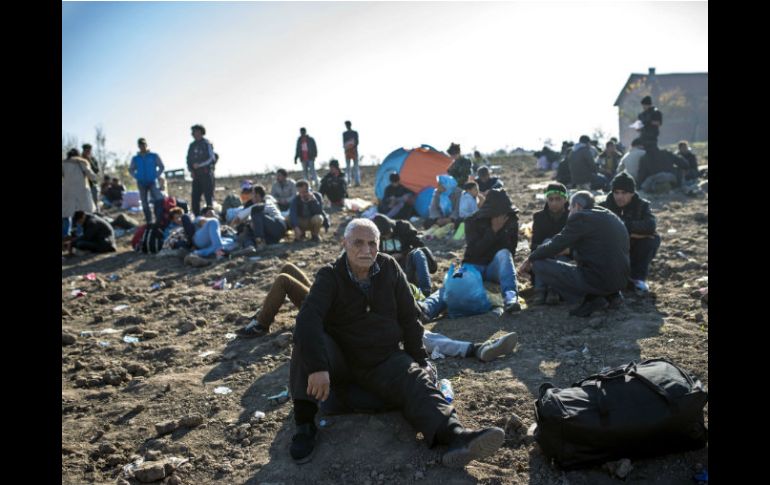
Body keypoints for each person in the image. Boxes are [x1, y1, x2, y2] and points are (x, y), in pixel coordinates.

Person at [286, 218, 505, 466]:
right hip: (342, 364)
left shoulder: (389, 268)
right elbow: (308, 320)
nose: (366, 250)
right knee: (307, 340)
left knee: (416, 378)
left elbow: (408, 318)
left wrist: (421, 360)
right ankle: (304, 425)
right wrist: (317, 367)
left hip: (383, 361)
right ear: (344, 243)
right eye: (358, 243)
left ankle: (456, 437)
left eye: (372, 244)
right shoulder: (330, 275)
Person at [518, 191, 629, 317]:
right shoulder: (610, 216)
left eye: (570, 208)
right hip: (620, 281)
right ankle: (612, 296)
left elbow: (555, 244)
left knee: (538, 264)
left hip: (598, 280)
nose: (569, 212)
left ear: (577, 206)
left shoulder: (580, 217)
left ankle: (589, 299)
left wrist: (530, 258)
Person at [599, 172, 659, 293]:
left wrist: (623, 226)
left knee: (652, 239)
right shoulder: (603, 206)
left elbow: (650, 226)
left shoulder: (642, 205)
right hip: (611, 251)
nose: (619, 197)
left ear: (632, 193)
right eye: (616, 192)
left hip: (632, 249)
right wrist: (630, 231)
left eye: (624, 193)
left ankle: (637, 278)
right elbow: (601, 230)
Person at [372, 214, 437, 296]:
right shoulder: (374, 237)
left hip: (407, 265)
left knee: (418, 253)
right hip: (390, 271)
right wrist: (388, 258)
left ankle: (426, 291)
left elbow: (419, 245)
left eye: (388, 234)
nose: (387, 237)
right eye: (384, 236)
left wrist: (402, 254)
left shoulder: (404, 227)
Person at [528, 183, 570, 305]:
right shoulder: (539, 217)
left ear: (565, 199)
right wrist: (547, 248)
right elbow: (534, 244)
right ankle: (541, 291)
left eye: (558, 199)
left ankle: (552, 289)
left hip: (563, 256)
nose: (554, 203)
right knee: (546, 244)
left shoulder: (571, 216)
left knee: (552, 248)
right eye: (551, 199)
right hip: (544, 255)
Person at [62, 148, 98, 238]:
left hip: (67, 191)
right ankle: (80, 234)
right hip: (81, 191)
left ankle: (65, 234)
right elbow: (92, 177)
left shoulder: (63, 163)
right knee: (82, 213)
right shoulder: (82, 162)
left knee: (66, 214)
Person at [130, 138, 165, 224]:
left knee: (158, 199)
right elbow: (131, 169)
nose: (142, 146)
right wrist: (137, 176)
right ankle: (149, 220)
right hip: (141, 182)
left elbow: (161, 166)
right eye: (140, 145)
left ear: (146, 144)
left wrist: (156, 175)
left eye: (144, 144)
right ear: (138, 146)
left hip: (153, 181)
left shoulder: (154, 156)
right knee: (144, 202)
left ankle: (159, 218)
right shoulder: (135, 158)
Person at [186, 124, 217, 216]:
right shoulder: (192, 145)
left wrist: (200, 165)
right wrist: (191, 170)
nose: (193, 134)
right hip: (196, 176)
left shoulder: (207, 143)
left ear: (200, 132)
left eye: (194, 131)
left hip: (206, 174)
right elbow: (188, 159)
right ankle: (197, 217)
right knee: (195, 198)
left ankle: (211, 215)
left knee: (208, 197)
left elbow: (212, 158)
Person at [81, 143, 101, 208]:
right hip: (82, 185)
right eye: (86, 151)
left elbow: (96, 170)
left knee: (95, 202)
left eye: (89, 150)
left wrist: (89, 160)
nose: (88, 152)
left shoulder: (93, 159)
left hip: (92, 184)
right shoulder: (79, 160)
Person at [342, 120, 360, 187]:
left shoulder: (355, 133)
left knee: (356, 167)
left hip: (354, 150)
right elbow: (344, 142)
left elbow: (357, 142)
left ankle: (357, 182)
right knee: (348, 167)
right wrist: (347, 147)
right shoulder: (344, 134)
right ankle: (348, 182)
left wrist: (352, 146)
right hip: (347, 151)